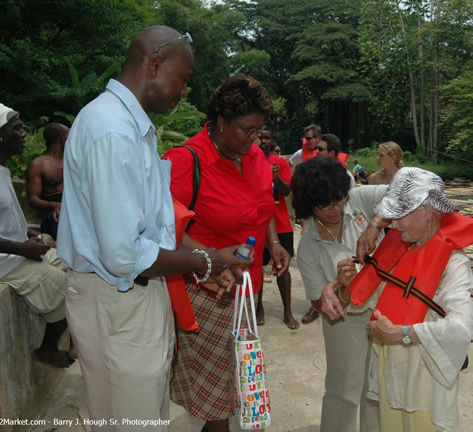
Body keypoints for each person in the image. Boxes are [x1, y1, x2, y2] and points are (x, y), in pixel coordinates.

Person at [57, 26, 229, 431]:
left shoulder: (131, 127)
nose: (184, 92)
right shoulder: (112, 130)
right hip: (119, 303)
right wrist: (204, 260)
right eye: (183, 80)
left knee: (142, 414)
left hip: (131, 300)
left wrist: (200, 260)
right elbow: (124, 254)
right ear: (155, 65)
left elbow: (153, 223)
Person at [164, 74, 291, 432]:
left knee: (235, 381)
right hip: (205, 291)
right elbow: (165, 230)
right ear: (221, 121)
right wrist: (214, 257)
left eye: (258, 131)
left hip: (244, 289)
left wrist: (275, 244)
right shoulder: (186, 161)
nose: (254, 140)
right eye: (246, 131)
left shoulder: (254, 158)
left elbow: (261, 207)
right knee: (217, 397)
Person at [348, 167, 473, 431]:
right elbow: (381, 294)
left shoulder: (454, 264)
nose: (394, 223)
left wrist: (402, 334)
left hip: (424, 387)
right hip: (391, 378)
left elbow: (460, 329)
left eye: (402, 215)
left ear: (429, 213)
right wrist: (345, 280)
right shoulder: (400, 246)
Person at [0, 103, 73, 368]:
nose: (24, 133)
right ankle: (47, 349)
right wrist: (20, 248)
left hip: (14, 254)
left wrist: (28, 233)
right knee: (71, 290)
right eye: (16, 128)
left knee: (76, 264)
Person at [293, 158, 389, 432]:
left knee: (378, 389)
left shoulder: (359, 200)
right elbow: (319, 303)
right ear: (308, 206)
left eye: (338, 201)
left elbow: (414, 188)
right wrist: (341, 287)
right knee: (343, 391)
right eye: (323, 206)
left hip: (385, 310)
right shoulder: (309, 247)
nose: (334, 210)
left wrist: (375, 224)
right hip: (345, 322)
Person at [255, 125, 299, 329]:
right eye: (260, 137)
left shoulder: (280, 162)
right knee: (256, 266)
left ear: (272, 141)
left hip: (280, 224)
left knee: (283, 268)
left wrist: (276, 178)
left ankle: (288, 311)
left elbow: (287, 190)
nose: (263, 141)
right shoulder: (248, 160)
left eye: (267, 138)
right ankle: (258, 308)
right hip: (257, 224)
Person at [26, 122, 69, 240]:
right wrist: (55, 205)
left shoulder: (71, 161)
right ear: (61, 139)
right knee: (58, 219)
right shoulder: (38, 164)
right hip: (53, 213)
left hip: (71, 208)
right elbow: (33, 199)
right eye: (68, 136)